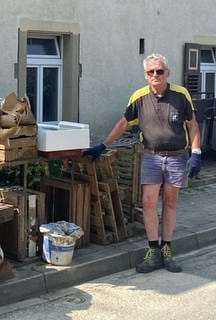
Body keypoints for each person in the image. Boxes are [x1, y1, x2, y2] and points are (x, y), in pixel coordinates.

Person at [83, 53, 201, 273]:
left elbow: (192, 125)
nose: (155, 75)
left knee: (170, 202)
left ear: (168, 73)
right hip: (151, 156)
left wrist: (196, 152)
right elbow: (123, 123)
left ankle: (167, 248)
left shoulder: (180, 94)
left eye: (159, 71)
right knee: (148, 202)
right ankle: (153, 250)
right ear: (145, 75)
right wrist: (103, 145)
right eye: (151, 72)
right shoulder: (139, 96)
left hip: (177, 156)